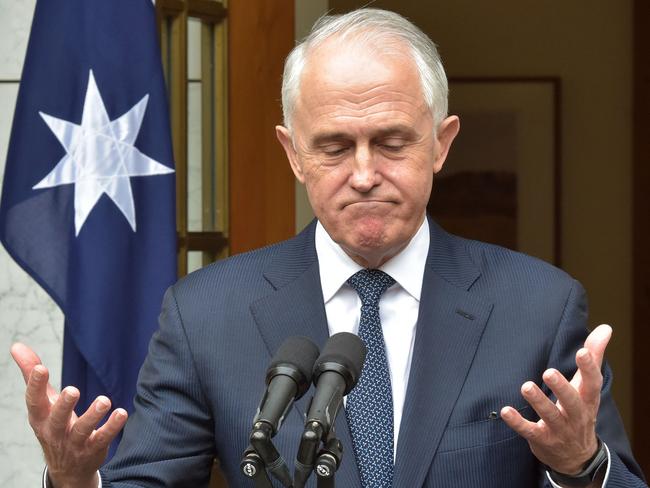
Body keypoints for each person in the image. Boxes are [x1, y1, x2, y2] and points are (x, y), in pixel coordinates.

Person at [11, 8, 647, 488]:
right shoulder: (206, 314)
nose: (365, 173)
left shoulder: (538, 306)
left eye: (393, 142)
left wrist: (581, 466)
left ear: (442, 144)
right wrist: (73, 480)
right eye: (336, 147)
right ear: (294, 155)